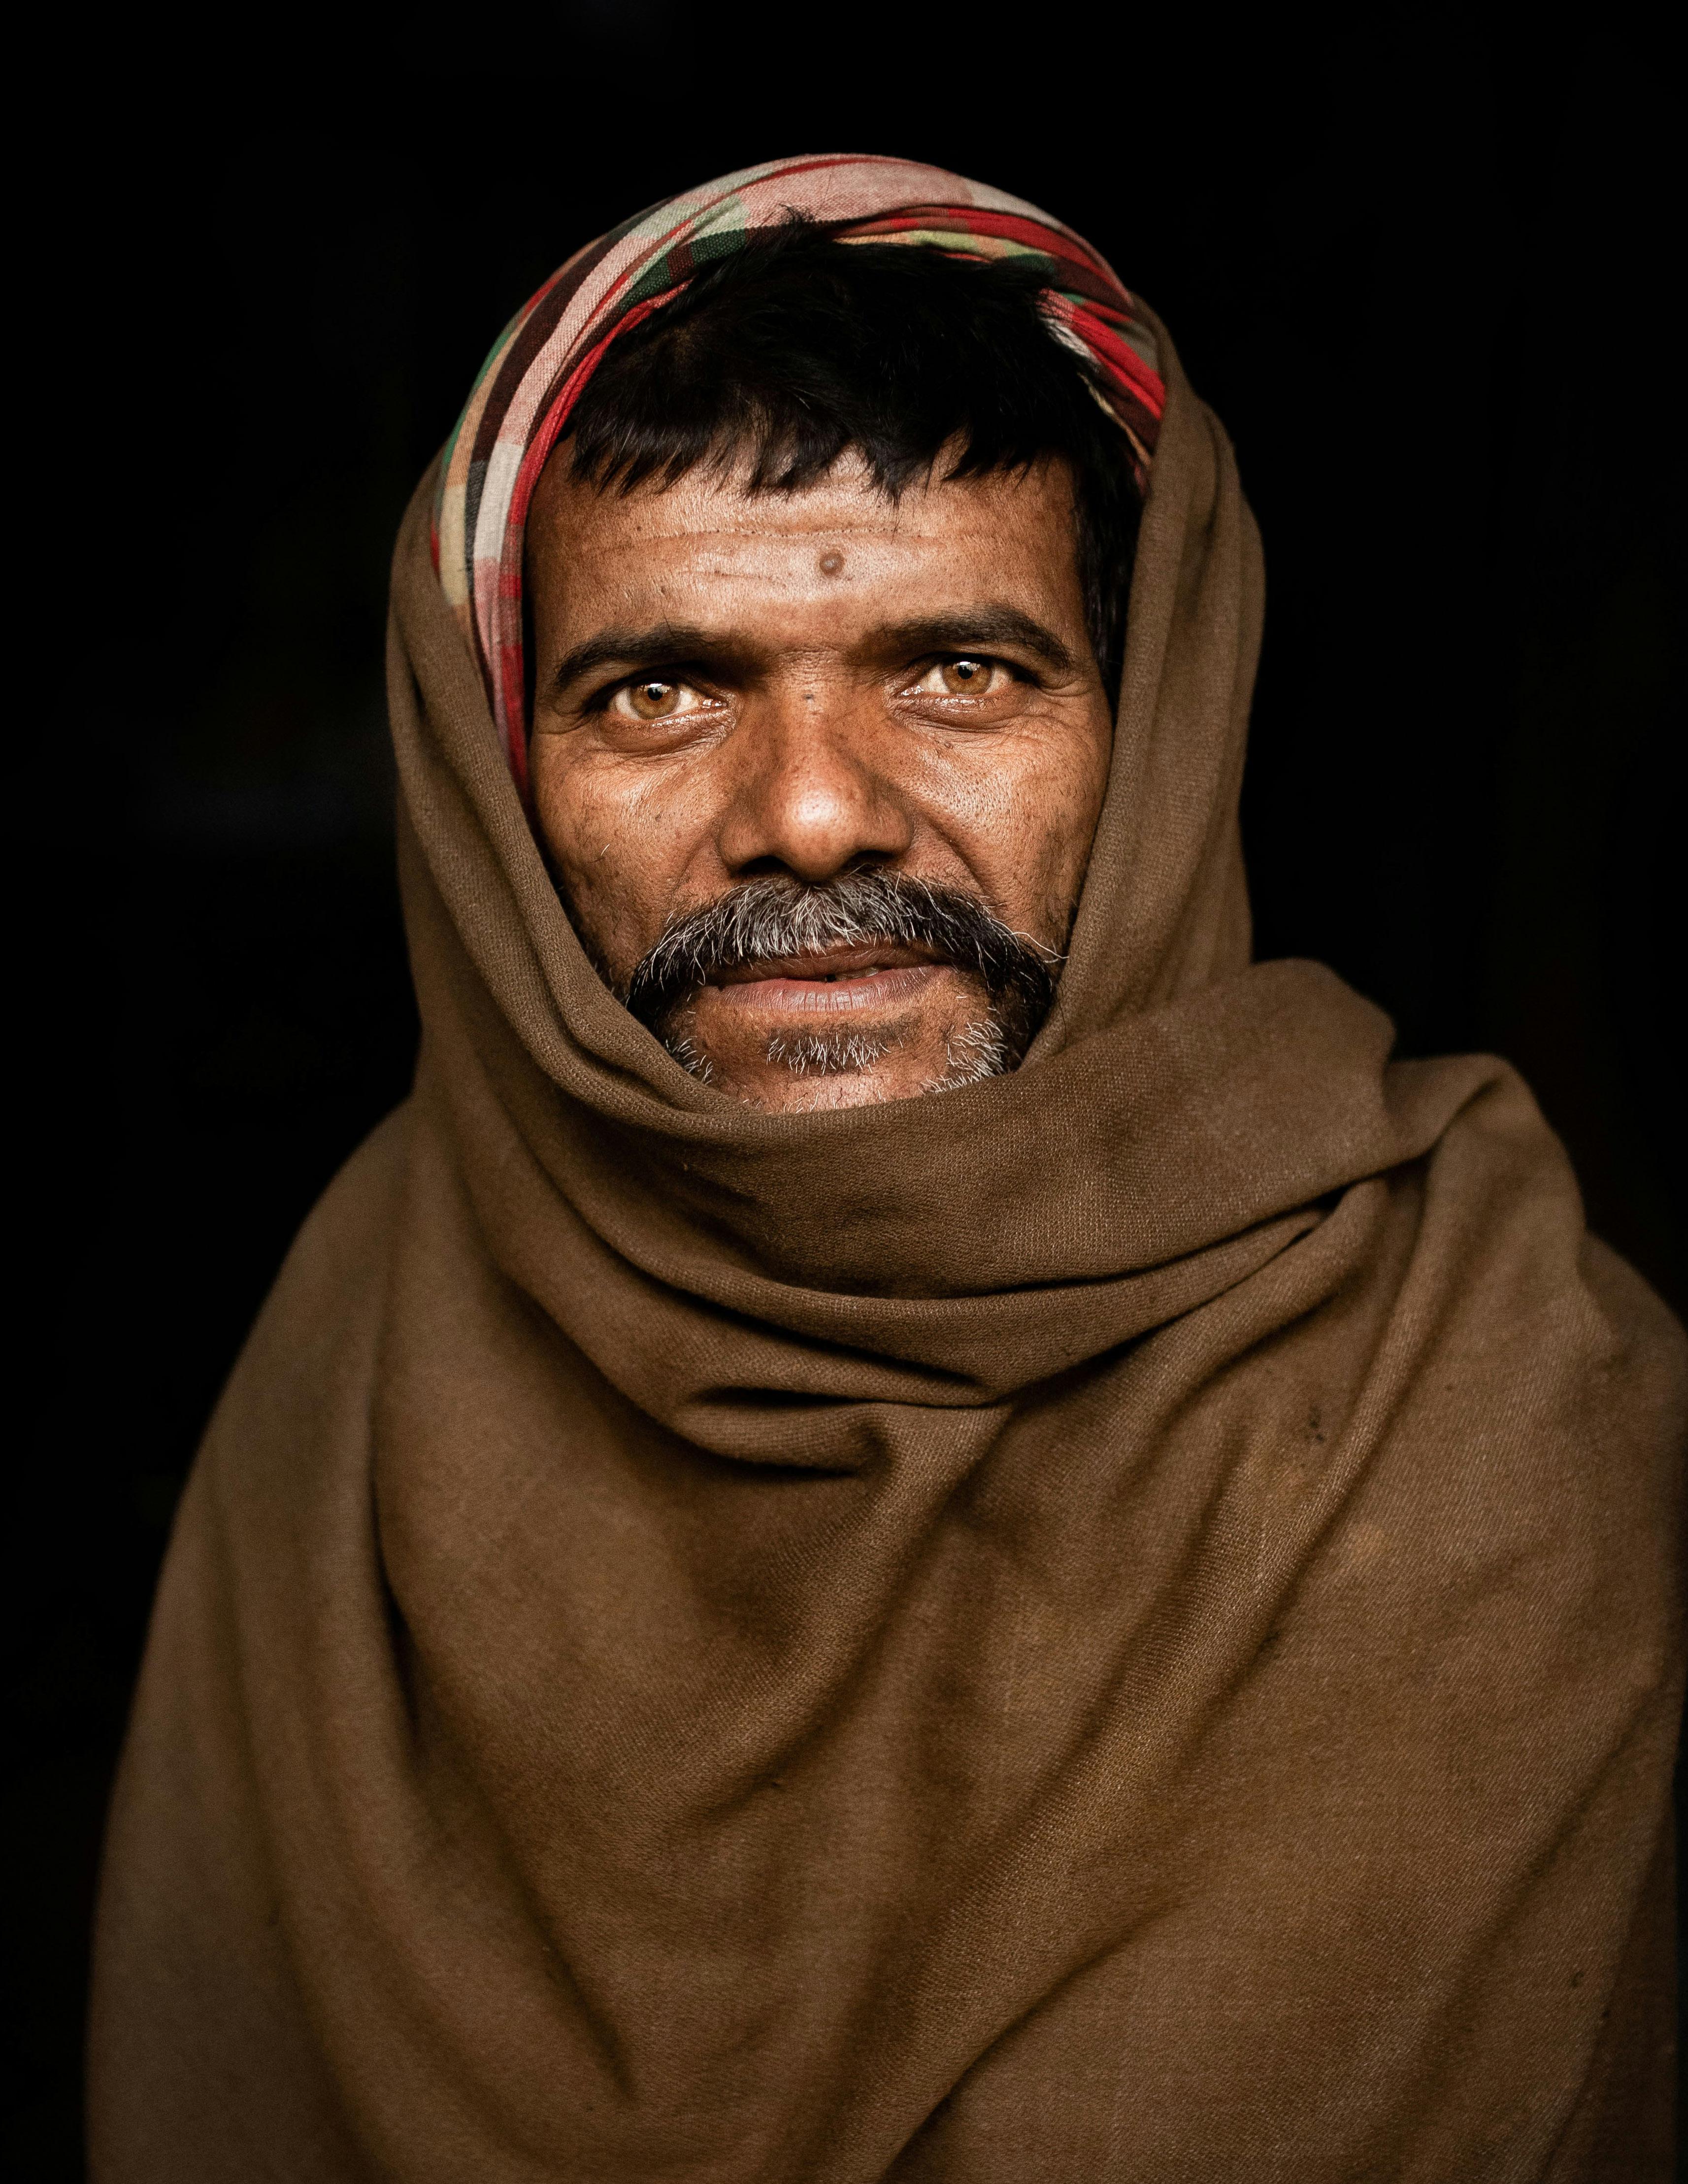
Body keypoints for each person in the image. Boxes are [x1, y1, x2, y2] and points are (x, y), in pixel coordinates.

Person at [89, 155, 1684, 2182]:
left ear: (1152, 728)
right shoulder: (368, 1334)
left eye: (960, 671)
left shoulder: (1487, 1372)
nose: (818, 813)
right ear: (500, 784)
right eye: (661, 691)